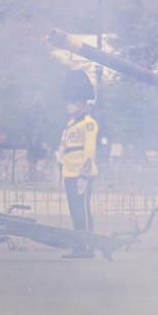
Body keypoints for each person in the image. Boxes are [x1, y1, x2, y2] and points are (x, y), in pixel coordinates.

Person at [57, 69, 99, 256]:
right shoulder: (70, 124)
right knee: (75, 211)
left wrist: (84, 175)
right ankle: (79, 245)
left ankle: (87, 246)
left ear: (81, 103)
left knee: (82, 210)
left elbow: (89, 152)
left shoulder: (88, 123)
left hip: (82, 174)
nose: (68, 106)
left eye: (72, 102)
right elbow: (65, 148)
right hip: (69, 173)